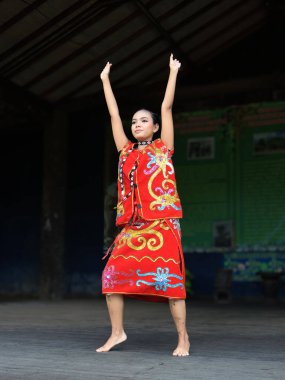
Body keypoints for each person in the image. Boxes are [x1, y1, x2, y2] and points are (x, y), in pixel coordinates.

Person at [97, 54, 190, 357]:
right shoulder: (125, 152)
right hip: (133, 226)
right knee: (111, 277)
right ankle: (117, 333)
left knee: (172, 285)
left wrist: (173, 72)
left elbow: (166, 106)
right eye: (134, 121)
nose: (137, 125)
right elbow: (113, 116)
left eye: (143, 121)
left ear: (155, 127)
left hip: (162, 224)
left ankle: (183, 339)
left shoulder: (164, 148)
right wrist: (105, 81)